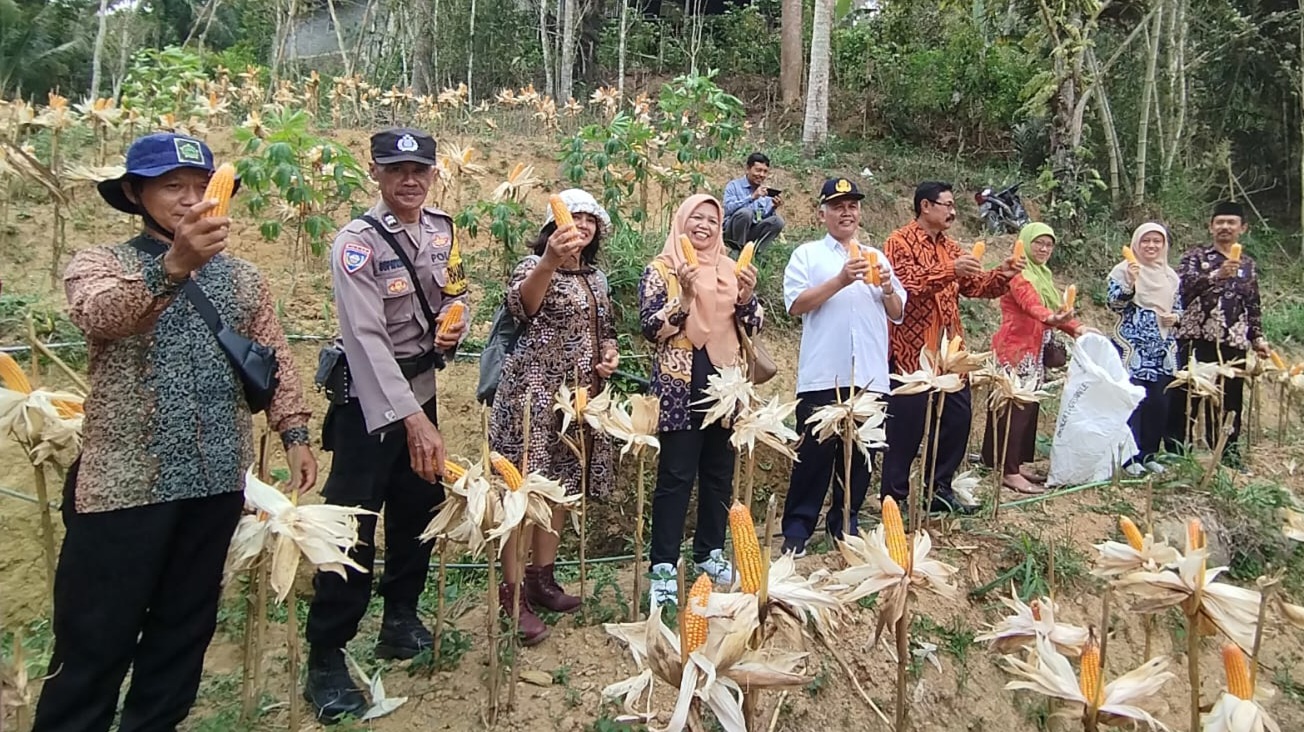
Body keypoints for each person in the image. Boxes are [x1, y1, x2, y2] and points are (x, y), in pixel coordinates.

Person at [34, 132, 316, 732]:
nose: (190, 200)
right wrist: (173, 267)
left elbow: (274, 356)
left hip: (216, 481)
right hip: (123, 487)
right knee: (94, 641)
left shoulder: (242, 278)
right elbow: (104, 317)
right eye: (172, 187)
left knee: (182, 634)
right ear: (135, 193)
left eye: (200, 186)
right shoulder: (99, 265)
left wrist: (293, 430)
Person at [303, 128, 468, 722]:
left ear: (433, 174)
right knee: (352, 524)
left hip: (422, 388)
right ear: (374, 171)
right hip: (368, 405)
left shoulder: (441, 229)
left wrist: (457, 322)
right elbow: (367, 340)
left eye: (420, 169)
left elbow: (456, 290)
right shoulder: (357, 243)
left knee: (417, 507)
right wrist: (415, 423)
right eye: (397, 169)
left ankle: (400, 617)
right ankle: (325, 652)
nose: (410, 180)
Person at [488, 189, 619, 645]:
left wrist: (608, 355)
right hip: (532, 399)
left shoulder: (597, 279)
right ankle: (513, 592)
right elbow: (521, 308)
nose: (582, 225)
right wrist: (547, 262)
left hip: (576, 402)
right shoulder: (532, 267)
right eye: (573, 217)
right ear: (552, 226)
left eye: (590, 220)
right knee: (523, 495)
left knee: (561, 491)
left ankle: (542, 579)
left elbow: (606, 331)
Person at [638, 193, 762, 607]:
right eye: (696, 218)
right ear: (681, 222)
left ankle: (709, 552)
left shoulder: (731, 268)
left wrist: (746, 297)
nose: (704, 226)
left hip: (725, 384)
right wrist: (686, 299)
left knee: (718, 474)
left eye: (712, 219)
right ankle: (663, 567)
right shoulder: (663, 269)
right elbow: (650, 328)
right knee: (675, 477)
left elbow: (754, 323)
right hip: (680, 383)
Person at [779, 178, 905, 556]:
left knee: (860, 459)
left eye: (852, 205)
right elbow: (796, 304)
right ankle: (797, 531)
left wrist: (885, 288)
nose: (846, 212)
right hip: (823, 374)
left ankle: (845, 527)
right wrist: (839, 280)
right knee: (813, 456)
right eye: (837, 206)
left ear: (860, 213)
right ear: (823, 214)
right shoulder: (807, 255)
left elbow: (897, 312)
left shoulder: (877, 257)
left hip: (869, 376)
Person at [881, 181, 1022, 515]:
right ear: (925, 206)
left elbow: (977, 287)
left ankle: (939, 488)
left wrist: (1002, 274)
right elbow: (907, 284)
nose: (953, 211)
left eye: (953, 205)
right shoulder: (898, 242)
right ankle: (893, 498)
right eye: (946, 204)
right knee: (906, 428)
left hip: (950, 353)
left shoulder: (954, 248)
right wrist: (949, 271)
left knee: (957, 419)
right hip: (912, 352)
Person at [981, 222, 1090, 494]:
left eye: (1048, 244)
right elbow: (1032, 305)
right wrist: (1052, 319)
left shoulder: (1042, 274)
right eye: (1038, 243)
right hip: (1015, 349)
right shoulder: (1019, 274)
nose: (1043, 249)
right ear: (1025, 243)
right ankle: (1008, 471)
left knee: (1027, 408)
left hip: (1035, 349)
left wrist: (1076, 328)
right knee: (1015, 408)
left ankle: (1007, 461)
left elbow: (1055, 310)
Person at [1171, 201, 1271, 467]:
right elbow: (1183, 289)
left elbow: (1253, 304)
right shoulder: (1195, 257)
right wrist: (1217, 274)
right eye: (1220, 222)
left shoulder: (1248, 265)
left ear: (1243, 228)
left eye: (1231, 223)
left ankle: (1226, 454)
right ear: (1211, 226)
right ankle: (1179, 451)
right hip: (1196, 336)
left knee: (1230, 400)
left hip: (1233, 341)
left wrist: (1258, 338)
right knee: (1188, 394)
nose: (1225, 227)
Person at [1109, 222, 1182, 474]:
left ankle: (1149, 454)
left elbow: (1179, 308)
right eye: (1146, 241)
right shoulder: (1122, 271)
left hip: (1162, 349)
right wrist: (1130, 284)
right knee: (1134, 401)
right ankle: (1129, 458)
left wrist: (1175, 318)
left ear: (1164, 245)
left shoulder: (1170, 277)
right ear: (1136, 244)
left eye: (1156, 241)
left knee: (1158, 402)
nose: (1151, 246)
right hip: (1133, 347)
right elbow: (1114, 304)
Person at [722, 152, 786, 256]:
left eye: (765, 172)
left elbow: (762, 217)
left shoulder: (764, 192)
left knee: (778, 221)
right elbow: (728, 209)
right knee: (746, 213)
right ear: (748, 169)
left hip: (751, 231)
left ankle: (757, 253)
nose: (761, 175)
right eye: (758, 170)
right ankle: (736, 250)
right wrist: (752, 197)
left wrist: (773, 207)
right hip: (732, 231)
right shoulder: (734, 186)